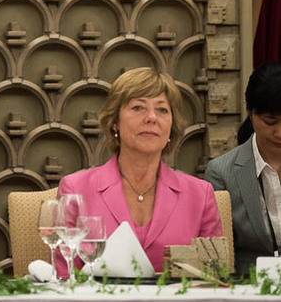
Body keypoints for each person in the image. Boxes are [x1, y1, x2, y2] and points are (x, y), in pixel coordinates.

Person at [56, 67, 222, 275]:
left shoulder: (201, 194)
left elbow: (213, 278)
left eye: (162, 110)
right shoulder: (75, 189)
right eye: (137, 108)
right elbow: (64, 276)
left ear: (171, 125)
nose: (151, 117)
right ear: (114, 122)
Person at [206, 61, 281, 274]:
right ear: (249, 109)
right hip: (248, 286)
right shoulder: (221, 172)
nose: (279, 133)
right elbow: (217, 253)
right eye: (270, 122)